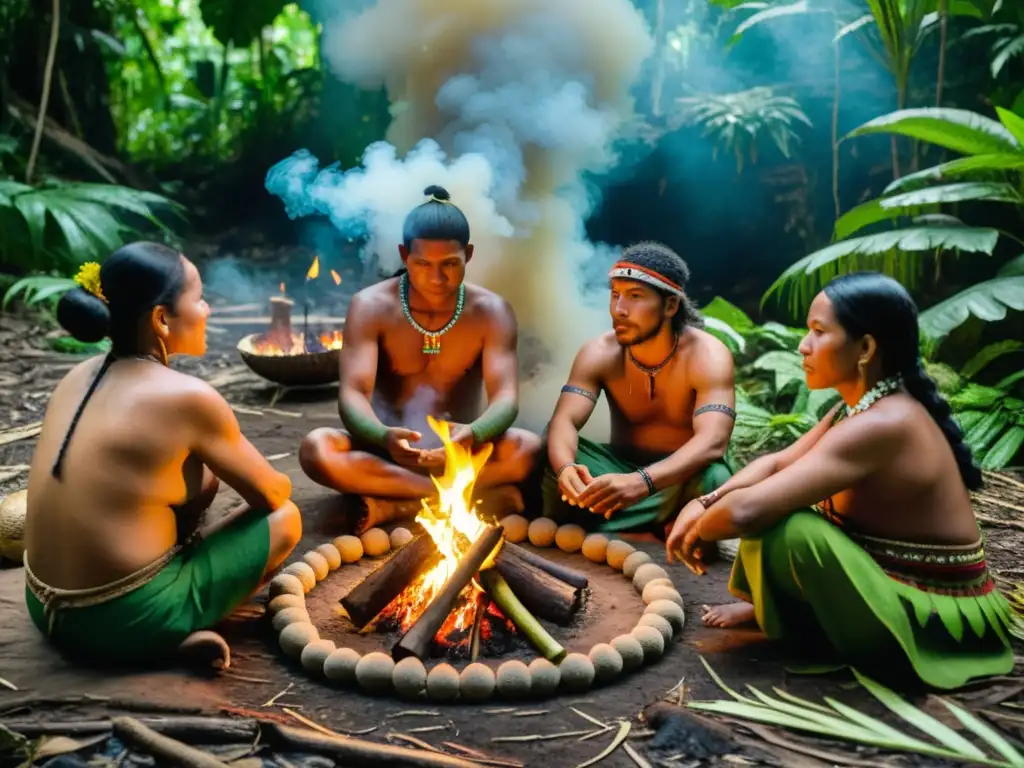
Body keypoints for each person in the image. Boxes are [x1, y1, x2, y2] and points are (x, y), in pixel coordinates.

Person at [668, 272, 1014, 690]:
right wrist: (703, 503)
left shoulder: (886, 422)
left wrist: (698, 525)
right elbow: (778, 462)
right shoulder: (858, 408)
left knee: (789, 526)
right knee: (769, 504)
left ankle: (804, 625)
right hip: (881, 573)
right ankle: (771, 609)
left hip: (932, 614)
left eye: (818, 332)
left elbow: (746, 511)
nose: (803, 345)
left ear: (865, 348)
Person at [22, 242, 302, 671]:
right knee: (286, 518)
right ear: (161, 319)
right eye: (199, 297)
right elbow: (272, 493)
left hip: (43, 605)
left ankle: (156, 631)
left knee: (189, 476)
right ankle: (161, 636)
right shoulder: (186, 398)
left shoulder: (77, 375)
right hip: (120, 617)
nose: (207, 308)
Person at [300, 185, 541, 530]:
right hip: (386, 454)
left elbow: (505, 397)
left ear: (469, 254)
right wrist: (383, 436)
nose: (437, 277)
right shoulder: (371, 307)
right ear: (403, 256)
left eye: (450, 264)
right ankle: (442, 497)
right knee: (317, 448)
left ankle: (397, 505)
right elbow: (353, 393)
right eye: (423, 263)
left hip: (462, 452)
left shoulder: (492, 311)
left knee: (528, 448)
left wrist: (473, 433)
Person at [543, 241, 736, 534]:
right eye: (615, 295)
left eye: (635, 296)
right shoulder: (599, 352)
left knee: (715, 480)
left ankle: (618, 523)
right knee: (548, 451)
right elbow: (564, 421)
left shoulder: (707, 355)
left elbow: (713, 441)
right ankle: (654, 527)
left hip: (677, 478)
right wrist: (566, 470)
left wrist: (642, 482)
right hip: (616, 471)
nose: (619, 309)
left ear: (670, 305)